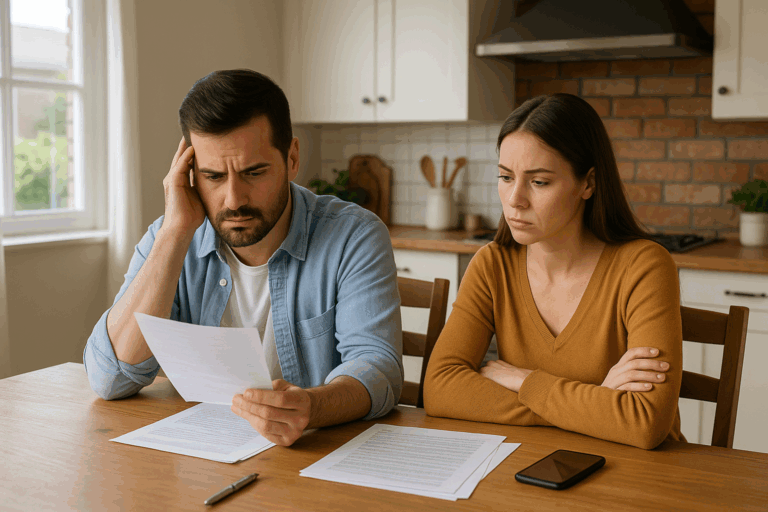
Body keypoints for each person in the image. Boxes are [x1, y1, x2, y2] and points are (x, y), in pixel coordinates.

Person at [83, 69, 403, 446]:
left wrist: (310, 407)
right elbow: (110, 378)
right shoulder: (169, 235)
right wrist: (174, 234)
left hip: (309, 457)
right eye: (213, 176)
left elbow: (378, 368)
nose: (233, 199)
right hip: (202, 454)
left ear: (293, 158)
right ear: (188, 175)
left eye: (254, 172)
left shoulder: (353, 235)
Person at [424, 93, 683, 450]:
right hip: (535, 468)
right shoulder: (492, 264)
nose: (515, 199)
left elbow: (644, 423)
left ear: (587, 184)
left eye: (539, 182)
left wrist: (525, 380)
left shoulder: (644, 266)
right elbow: (440, 389)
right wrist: (595, 402)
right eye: (505, 176)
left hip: (642, 479)